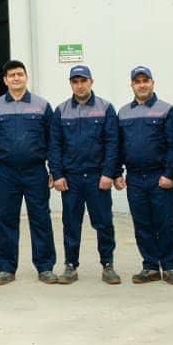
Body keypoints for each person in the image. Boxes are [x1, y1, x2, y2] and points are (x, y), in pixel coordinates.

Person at [49, 65, 122, 285]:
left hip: (97, 177)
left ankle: (108, 265)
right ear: (71, 84)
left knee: (104, 223)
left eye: (83, 81)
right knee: (71, 223)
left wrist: (109, 173)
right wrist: (57, 174)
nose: (79, 85)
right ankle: (70, 266)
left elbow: (113, 143)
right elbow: (55, 145)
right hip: (71, 178)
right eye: (75, 81)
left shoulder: (105, 108)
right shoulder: (61, 111)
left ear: (91, 81)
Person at [0, 60, 58, 285]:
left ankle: (45, 267)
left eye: (19, 74)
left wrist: (54, 170)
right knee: (6, 219)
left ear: (26, 77)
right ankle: (6, 268)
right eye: (11, 75)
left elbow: (53, 141)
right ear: (5, 80)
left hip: (35, 171)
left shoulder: (42, 106)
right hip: (6, 172)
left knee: (40, 218)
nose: (16, 78)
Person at [116, 65, 173, 285]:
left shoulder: (166, 110)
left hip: (160, 177)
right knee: (142, 223)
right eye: (138, 81)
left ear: (152, 83)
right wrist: (117, 172)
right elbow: (119, 145)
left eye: (146, 81)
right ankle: (151, 266)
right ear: (132, 85)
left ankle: (169, 267)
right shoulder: (123, 112)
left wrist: (169, 173)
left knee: (165, 222)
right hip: (135, 178)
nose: (142, 85)